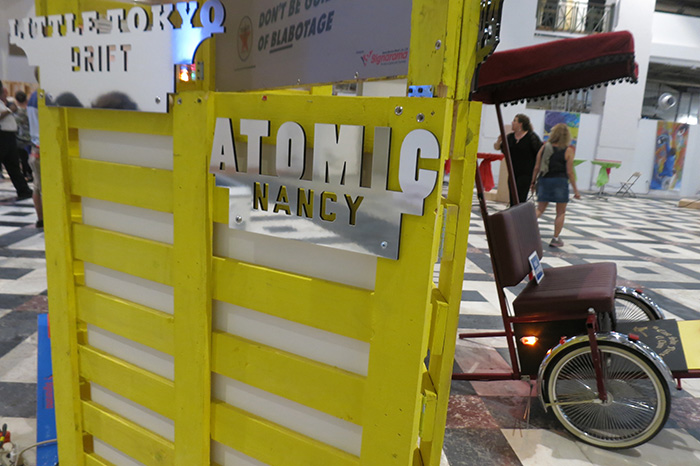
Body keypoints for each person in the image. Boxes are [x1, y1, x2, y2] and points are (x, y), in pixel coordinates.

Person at [530, 123, 580, 248]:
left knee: (540, 208)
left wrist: (532, 182)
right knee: (561, 212)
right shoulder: (568, 150)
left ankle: (525, 231)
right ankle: (555, 238)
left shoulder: (544, 147)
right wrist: (575, 189)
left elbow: (536, 167)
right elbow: (569, 171)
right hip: (560, 181)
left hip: (544, 180)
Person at [494, 113, 542, 205]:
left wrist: (536, 172)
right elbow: (498, 147)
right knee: (512, 197)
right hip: (512, 172)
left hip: (526, 173)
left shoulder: (531, 137)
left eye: (515, 121)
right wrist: (499, 140)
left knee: (520, 197)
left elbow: (539, 152)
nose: (512, 122)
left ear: (521, 124)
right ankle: (512, 215)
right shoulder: (510, 137)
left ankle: (518, 216)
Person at [0, 82, 33, 200]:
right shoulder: (5, 105)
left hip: (9, 136)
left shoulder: (3, 103)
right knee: (11, 163)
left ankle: (23, 190)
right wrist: (10, 110)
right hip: (2, 135)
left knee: (13, 164)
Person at [27, 71, 43, 229]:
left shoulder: (33, 96)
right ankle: (44, 219)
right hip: (43, 147)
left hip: (35, 146)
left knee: (37, 185)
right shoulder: (44, 96)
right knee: (43, 186)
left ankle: (41, 219)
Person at [13, 91, 33, 182]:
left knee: (24, 158)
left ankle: (27, 174)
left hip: (22, 138)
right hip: (32, 137)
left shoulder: (18, 112)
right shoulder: (30, 109)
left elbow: (14, 124)